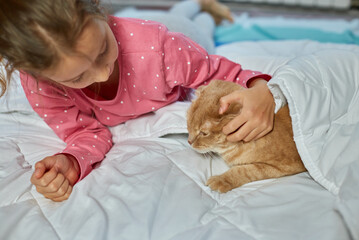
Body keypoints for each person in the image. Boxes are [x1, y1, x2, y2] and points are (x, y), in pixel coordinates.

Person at [0, 0, 275, 202]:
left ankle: (200, 6)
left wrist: (261, 89)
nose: (102, 72)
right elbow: (83, 133)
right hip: (158, 36)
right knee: (185, 16)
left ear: (97, 8)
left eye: (103, 50)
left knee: (201, 28)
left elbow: (220, 74)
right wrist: (71, 160)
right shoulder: (41, 85)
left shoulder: (160, 49)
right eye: (78, 77)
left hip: (182, 37)